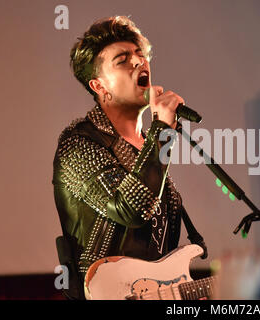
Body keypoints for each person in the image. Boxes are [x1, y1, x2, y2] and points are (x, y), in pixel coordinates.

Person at [52, 16, 206, 299]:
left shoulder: (149, 145)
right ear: (99, 86)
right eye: (123, 59)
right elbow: (131, 209)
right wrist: (162, 131)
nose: (139, 62)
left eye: (140, 55)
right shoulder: (78, 144)